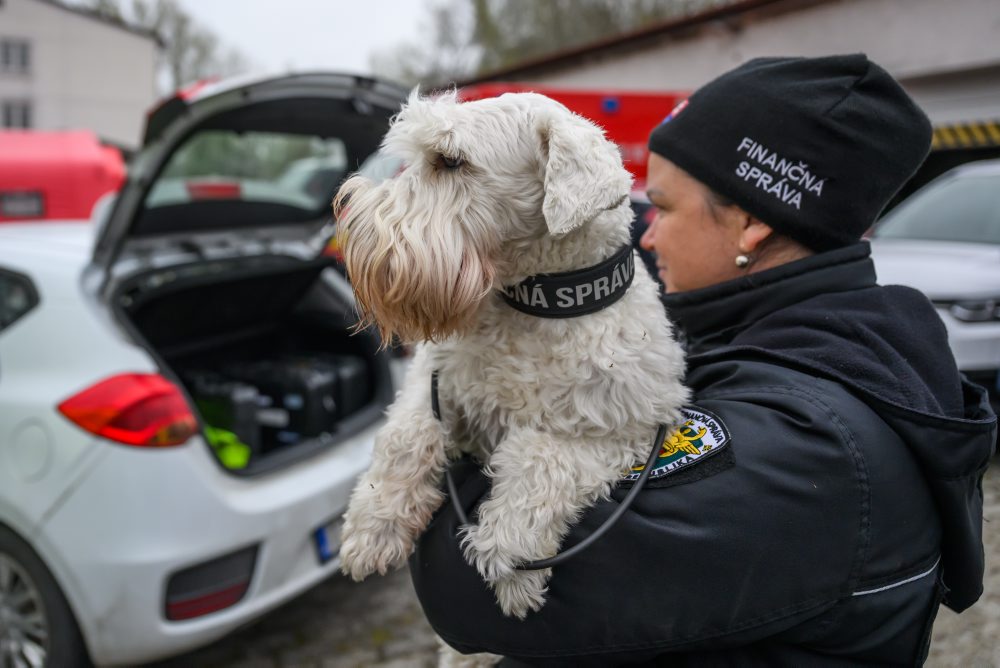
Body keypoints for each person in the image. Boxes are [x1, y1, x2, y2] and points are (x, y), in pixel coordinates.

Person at [408, 54, 997, 666]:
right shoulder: (765, 342)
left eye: (662, 207)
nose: (649, 235)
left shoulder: (806, 443)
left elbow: (471, 590)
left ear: (749, 225)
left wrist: (463, 381)